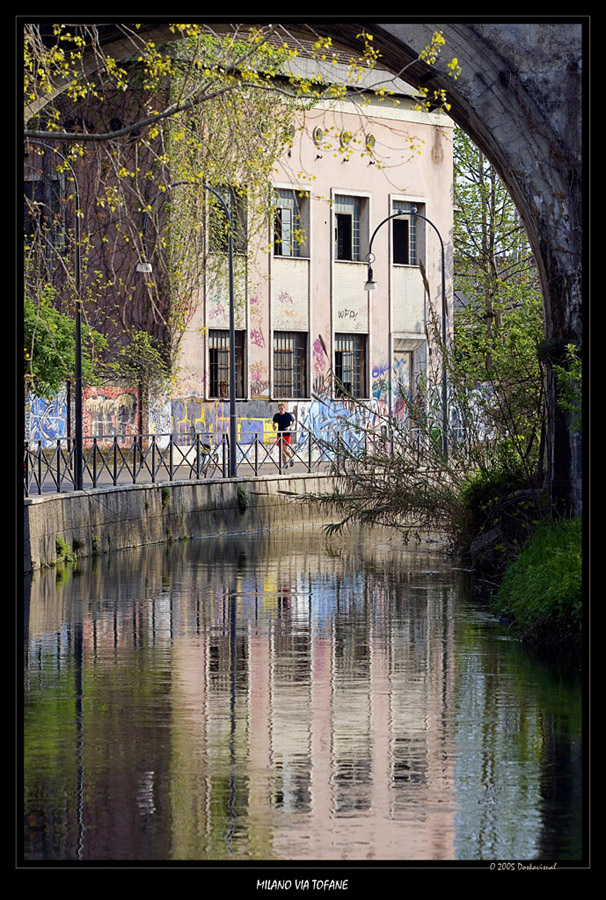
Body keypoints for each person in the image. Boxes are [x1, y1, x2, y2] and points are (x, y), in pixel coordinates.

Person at [272, 402, 295, 467]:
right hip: (279, 434)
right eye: (279, 408)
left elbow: (294, 422)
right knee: (281, 450)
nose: (280, 409)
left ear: (284, 408)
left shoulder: (288, 415)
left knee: (285, 449)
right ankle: (285, 463)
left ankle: (291, 458)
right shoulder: (277, 415)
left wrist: (289, 427)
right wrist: (274, 426)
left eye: (282, 408)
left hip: (287, 434)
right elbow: (274, 422)